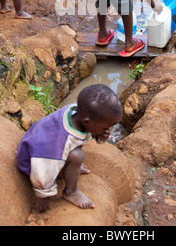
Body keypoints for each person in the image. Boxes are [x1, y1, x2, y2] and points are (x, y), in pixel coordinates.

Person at [16, 84, 123, 213]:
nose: (108, 130)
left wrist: (100, 135)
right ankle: (71, 191)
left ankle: (70, 166)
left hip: (46, 151)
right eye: (105, 127)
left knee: (75, 155)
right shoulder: (57, 142)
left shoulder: (77, 113)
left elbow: (85, 134)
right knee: (78, 156)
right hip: (34, 161)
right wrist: (44, 195)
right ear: (87, 121)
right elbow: (43, 169)